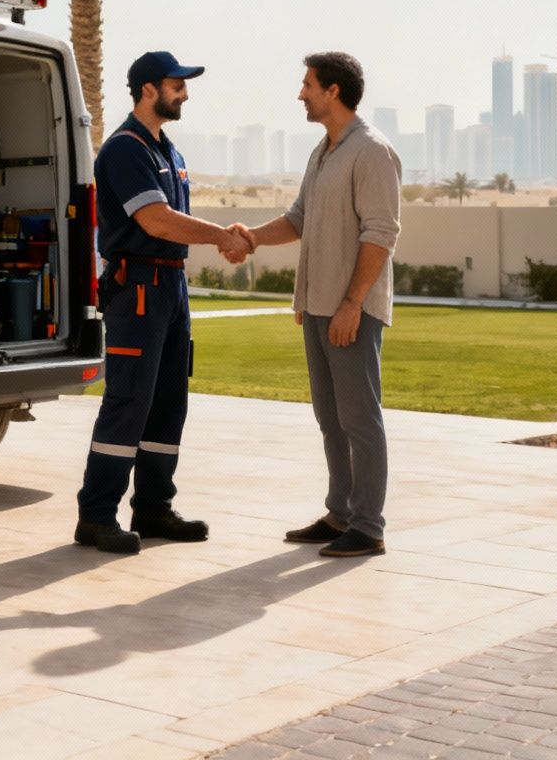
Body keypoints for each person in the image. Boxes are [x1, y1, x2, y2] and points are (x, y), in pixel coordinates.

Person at [75, 51, 251, 555]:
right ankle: (96, 515)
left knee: (169, 403)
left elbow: (172, 222)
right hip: (139, 290)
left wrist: (220, 237)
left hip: (171, 288)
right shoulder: (124, 150)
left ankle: (153, 508)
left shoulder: (168, 152)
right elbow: (156, 220)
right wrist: (224, 236)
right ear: (148, 89)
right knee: (128, 402)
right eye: (177, 84)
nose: (185, 93)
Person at [236, 52, 401, 558]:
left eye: (307, 84)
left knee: (360, 419)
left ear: (333, 91)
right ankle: (340, 513)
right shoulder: (323, 151)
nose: (300, 93)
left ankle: (368, 526)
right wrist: (249, 239)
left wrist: (353, 303)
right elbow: (299, 218)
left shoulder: (371, 152)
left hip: (351, 309)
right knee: (330, 418)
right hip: (318, 306)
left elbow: (381, 233)